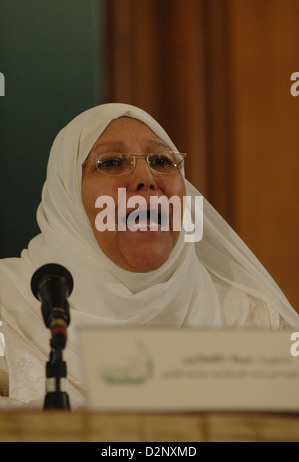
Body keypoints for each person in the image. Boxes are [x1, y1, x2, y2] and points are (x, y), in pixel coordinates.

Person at [0, 102, 298, 408]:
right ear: (67, 199)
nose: (146, 177)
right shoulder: (6, 306)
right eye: (112, 162)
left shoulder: (248, 315)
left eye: (162, 161)